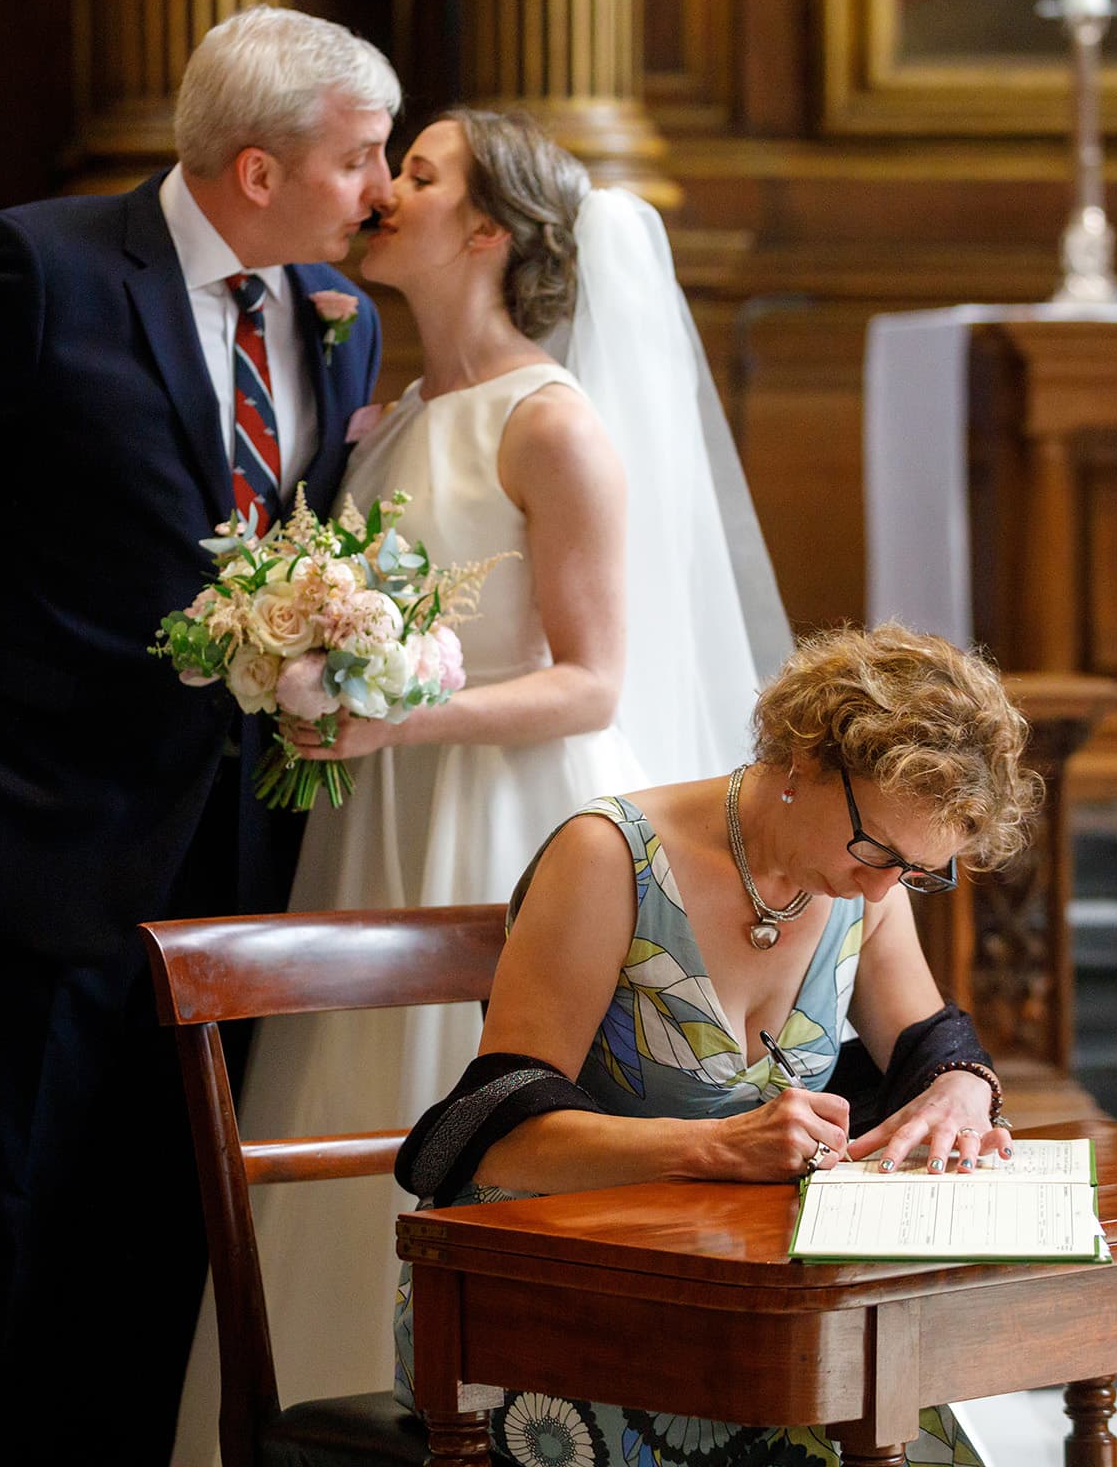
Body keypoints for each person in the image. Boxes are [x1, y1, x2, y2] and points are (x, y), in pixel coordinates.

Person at [0, 5, 396, 1464]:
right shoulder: (42, 271)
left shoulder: (341, 314)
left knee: (169, 1224)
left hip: (246, 841)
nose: (378, 191)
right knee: (5, 1223)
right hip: (28, 830)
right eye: (359, 159)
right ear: (256, 170)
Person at [170, 109, 793, 1460]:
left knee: (475, 1098)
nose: (389, 188)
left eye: (426, 172)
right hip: (384, 818)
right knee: (348, 1101)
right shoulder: (389, 416)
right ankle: (345, 1401)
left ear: (493, 231)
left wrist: (400, 717)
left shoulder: (550, 424)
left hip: (516, 827)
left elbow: (593, 683)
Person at [392, 622, 1037, 1466]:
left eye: (919, 869)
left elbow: (930, 1042)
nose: (886, 886)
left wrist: (961, 1088)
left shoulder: (867, 883)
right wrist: (718, 1146)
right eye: (877, 849)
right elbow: (496, 1136)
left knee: (899, 1436)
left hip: (746, 1302)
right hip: (539, 1308)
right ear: (803, 763)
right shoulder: (608, 857)